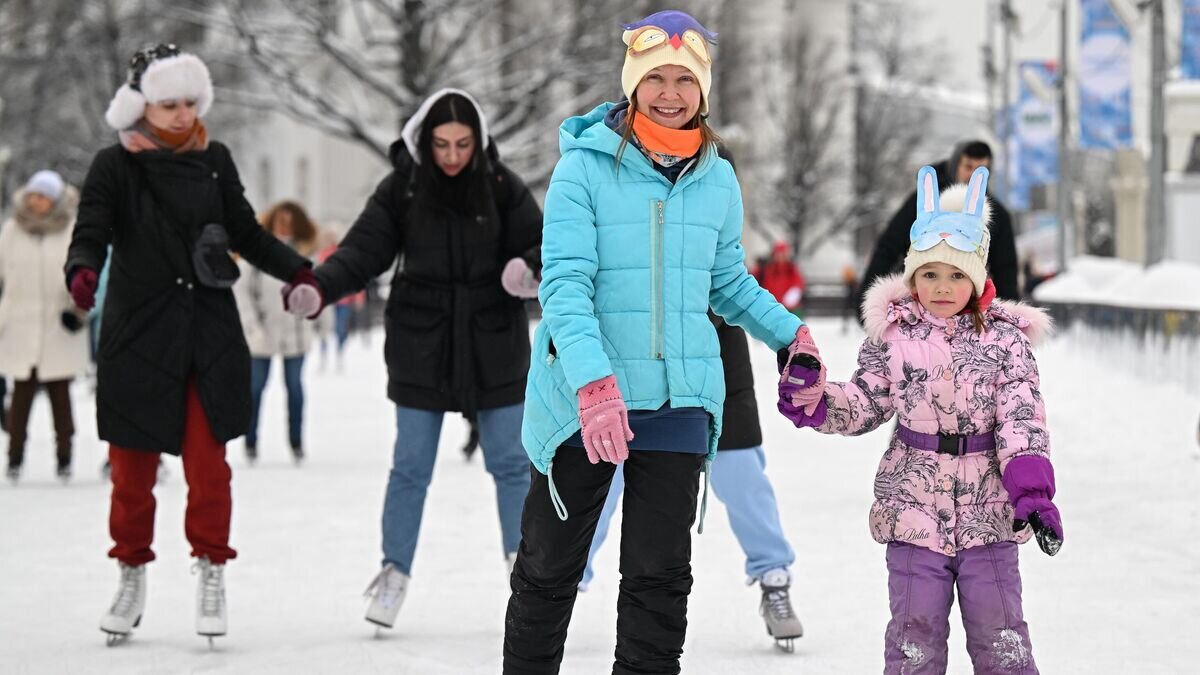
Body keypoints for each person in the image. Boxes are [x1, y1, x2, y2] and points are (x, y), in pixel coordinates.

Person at [500, 11, 824, 673]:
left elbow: (727, 281)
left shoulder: (717, 177)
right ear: (633, 84)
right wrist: (593, 383)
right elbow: (564, 286)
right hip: (584, 399)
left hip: (679, 397)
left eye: (684, 79)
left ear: (703, 91)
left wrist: (791, 336)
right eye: (656, 79)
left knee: (659, 578)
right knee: (549, 569)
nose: (670, 93)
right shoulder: (581, 170)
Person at [65, 44, 313, 645]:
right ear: (142, 105)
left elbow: (247, 233)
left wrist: (301, 271)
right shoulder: (114, 165)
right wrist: (82, 268)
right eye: (166, 104)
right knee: (131, 473)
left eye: (188, 103)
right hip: (137, 335)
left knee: (209, 468)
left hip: (206, 332)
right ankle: (130, 572)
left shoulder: (215, 158)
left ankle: (211, 568)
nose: (180, 114)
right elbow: (92, 228)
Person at [779, 165, 1061, 673]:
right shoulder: (894, 337)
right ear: (912, 276)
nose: (942, 286)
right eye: (929, 274)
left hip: (991, 513)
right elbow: (865, 399)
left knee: (1002, 639)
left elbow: (1023, 419)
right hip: (912, 510)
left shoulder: (1006, 341)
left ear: (976, 279)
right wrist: (817, 401)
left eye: (957, 275)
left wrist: (1033, 494)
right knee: (914, 638)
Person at [283, 88, 544, 631]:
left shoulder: (500, 185)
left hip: (493, 339)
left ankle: (528, 576)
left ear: (479, 142)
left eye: (463, 144)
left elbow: (548, 243)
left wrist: (527, 268)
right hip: (420, 342)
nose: (452, 156)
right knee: (410, 469)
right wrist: (319, 287)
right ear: (423, 141)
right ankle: (394, 571)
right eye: (442, 144)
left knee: (512, 465)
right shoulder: (401, 187)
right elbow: (360, 252)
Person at [578, 313, 805, 652]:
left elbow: (730, 281)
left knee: (742, 474)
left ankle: (774, 577)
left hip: (716, 359)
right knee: (605, 475)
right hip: (635, 358)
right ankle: (565, 581)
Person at [857, 140, 1019, 322]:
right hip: (920, 303)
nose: (971, 175)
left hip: (968, 307)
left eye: (980, 169)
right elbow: (888, 247)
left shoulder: (996, 214)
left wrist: (1008, 317)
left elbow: (1006, 267)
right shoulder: (923, 203)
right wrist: (869, 302)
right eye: (968, 166)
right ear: (955, 164)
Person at [0, 170, 89, 484]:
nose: (38, 201)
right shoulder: (12, 231)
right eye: (35, 195)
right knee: (20, 397)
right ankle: (14, 458)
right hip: (20, 325)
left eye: (45, 196)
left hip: (59, 326)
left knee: (60, 398)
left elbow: (84, 275)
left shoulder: (70, 231)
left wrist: (78, 311)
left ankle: (64, 458)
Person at [234, 201, 324, 463]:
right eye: (280, 222)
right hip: (262, 335)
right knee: (255, 388)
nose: (285, 227)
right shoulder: (257, 254)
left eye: (290, 222)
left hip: (295, 336)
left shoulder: (307, 257)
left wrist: (318, 322)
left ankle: (296, 442)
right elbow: (242, 293)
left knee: (295, 389)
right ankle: (251, 442)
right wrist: (252, 326)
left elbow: (320, 289)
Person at [758, 240, 806, 314]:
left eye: (783, 254)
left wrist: (794, 292)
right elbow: (764, 284)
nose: (780, 257)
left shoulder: (792, 269)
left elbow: (798, 283)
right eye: (778, 254)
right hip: (772, 307)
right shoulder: (768, 269)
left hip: (790, 308)